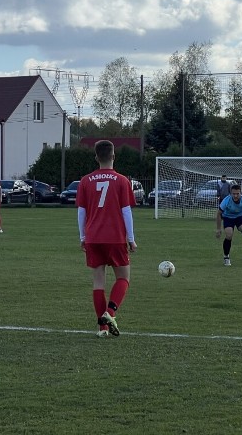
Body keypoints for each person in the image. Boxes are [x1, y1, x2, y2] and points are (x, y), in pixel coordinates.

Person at [76, 140, 136, 338]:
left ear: (96, 158)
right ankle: (109, 314)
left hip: (93, 237)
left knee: (98, 282)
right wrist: (131, 238)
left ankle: (102, 329)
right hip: (115, 236)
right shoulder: (122, 181)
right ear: (113, 156)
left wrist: (83, 237)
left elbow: (81, 212)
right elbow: (126, 212)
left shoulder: (85, 181)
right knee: (123, 278)